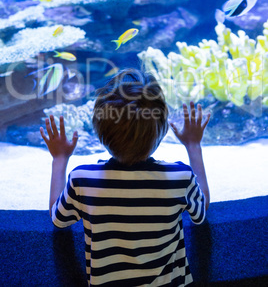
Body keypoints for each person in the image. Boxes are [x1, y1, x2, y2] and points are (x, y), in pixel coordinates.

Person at [40, 68, 210, 287]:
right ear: (162, 129)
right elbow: (201, 210)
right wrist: (193, 145)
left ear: (100, 132)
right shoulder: (180, 177)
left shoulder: (83, 179)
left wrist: (60, 159)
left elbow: (57, 218)